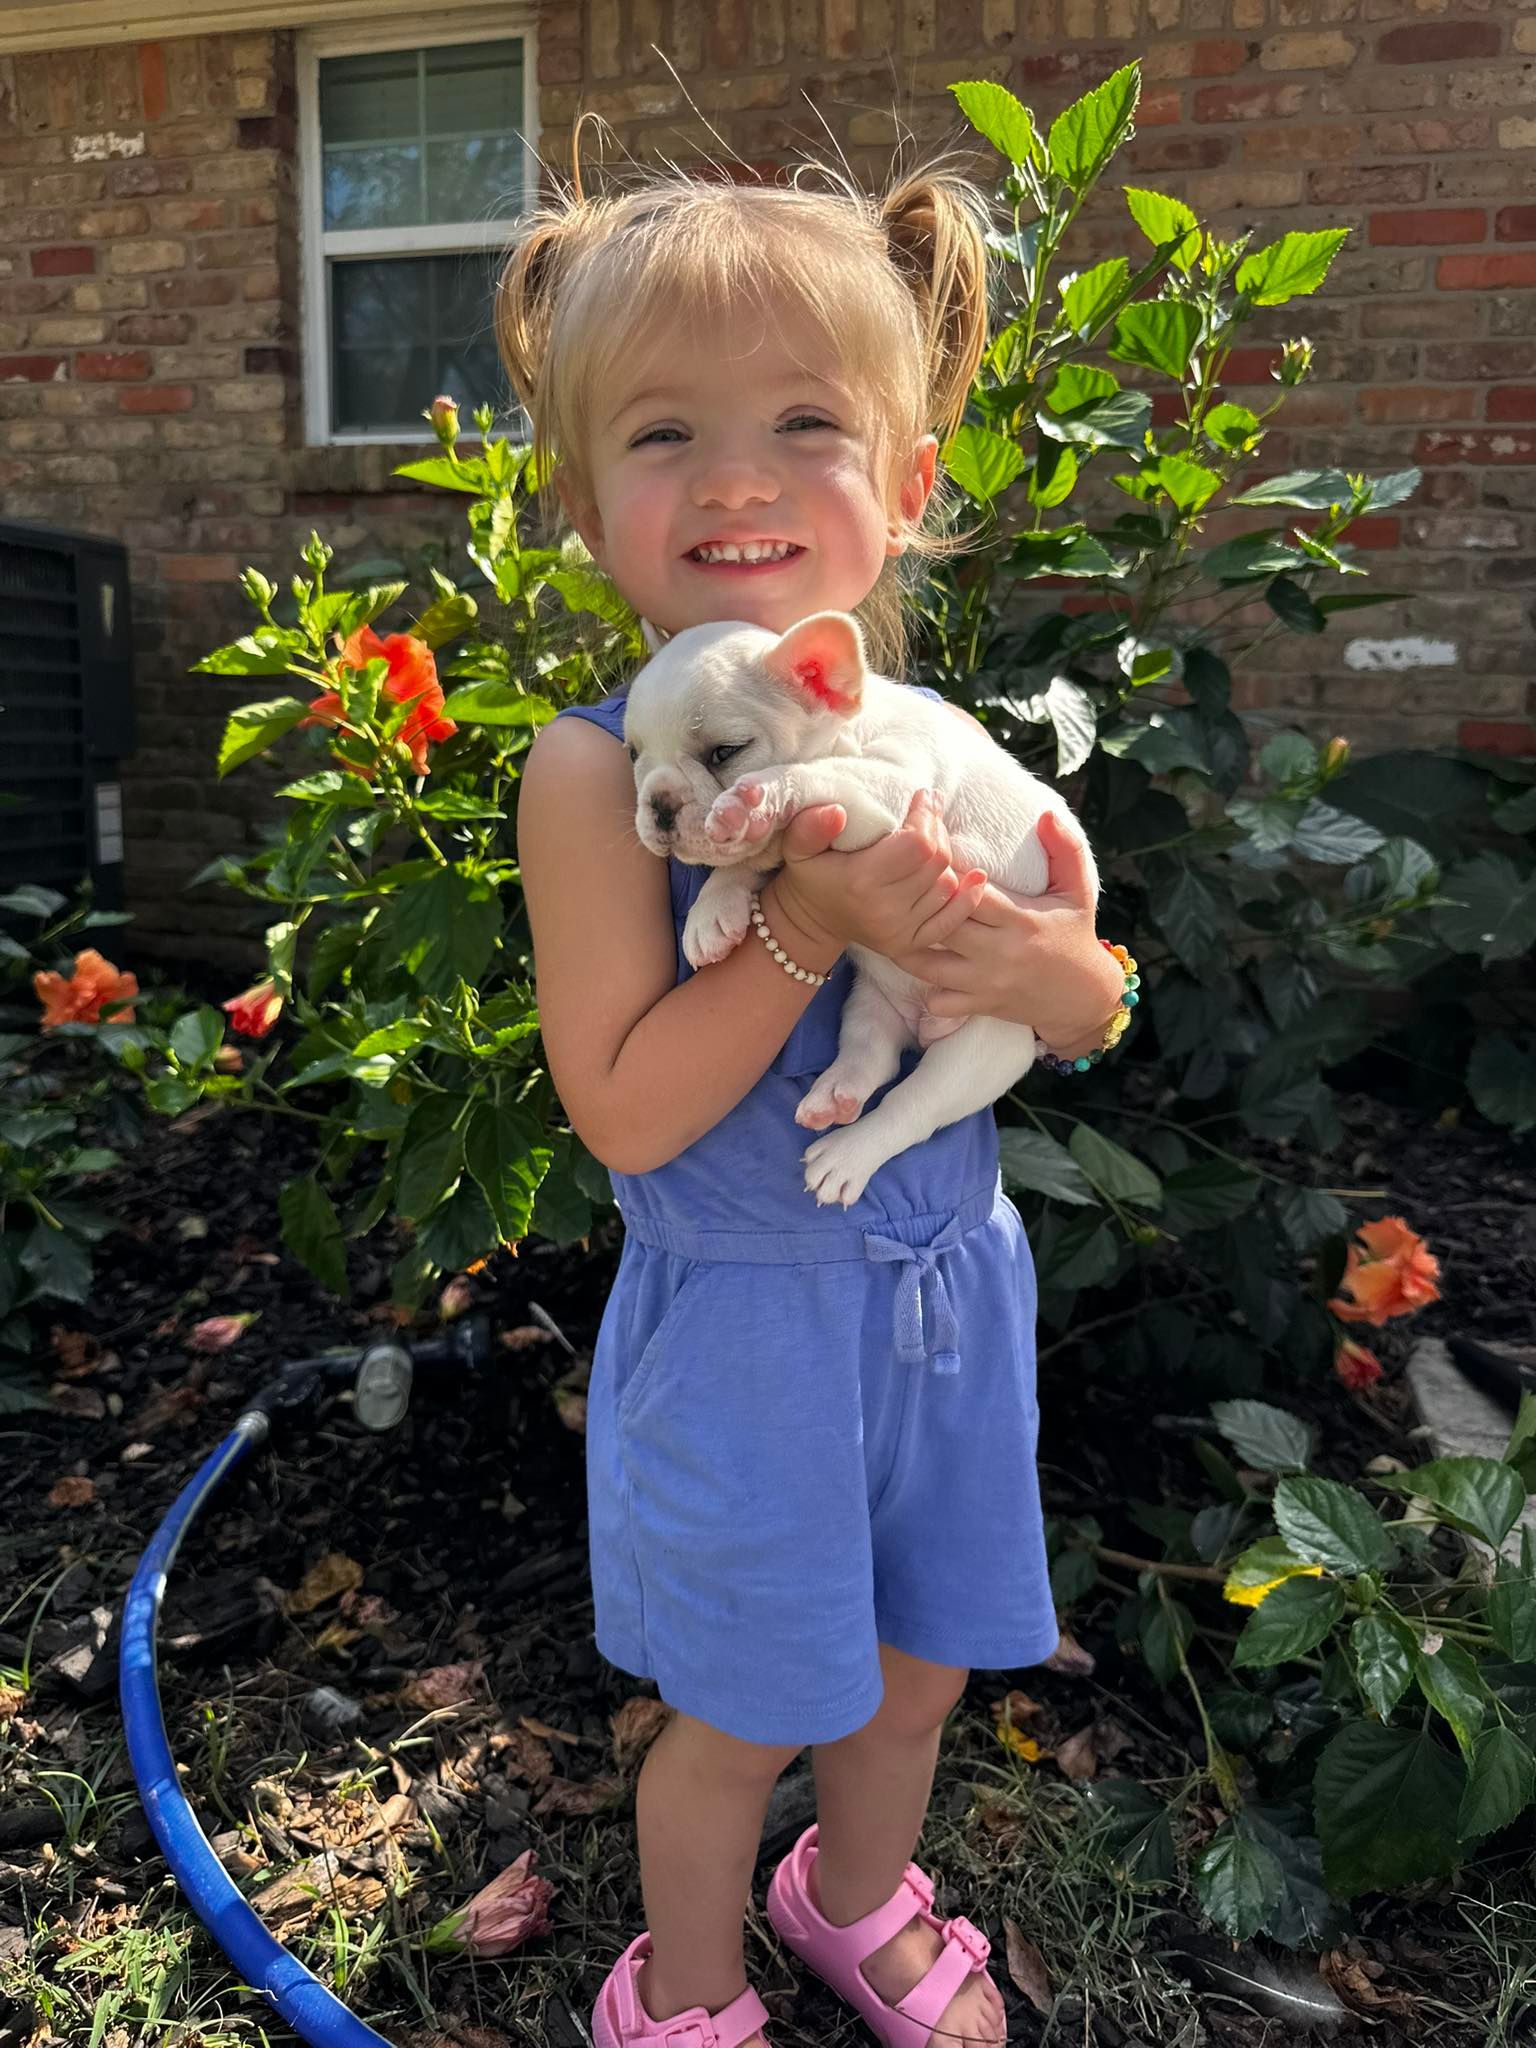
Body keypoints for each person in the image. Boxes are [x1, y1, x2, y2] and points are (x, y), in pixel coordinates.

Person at [505, 129, 1130, 2048]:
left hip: (948, 1287)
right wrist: (798, 915)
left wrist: (1064, 977)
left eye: (804, 423)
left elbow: (1082, 995)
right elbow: (626, 1113)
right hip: (751, 1326)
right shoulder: (593, 772)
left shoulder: (924, 744)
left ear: (910, 483)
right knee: (747, 1703)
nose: (738, 477)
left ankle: (850, 1897)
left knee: (923, 1660)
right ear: (582, 502)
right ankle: (683, 1992)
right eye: (665, 433)